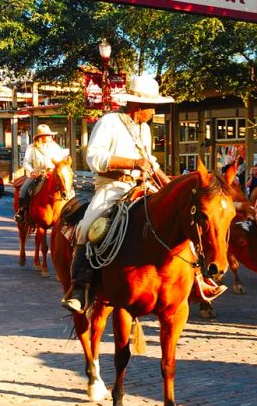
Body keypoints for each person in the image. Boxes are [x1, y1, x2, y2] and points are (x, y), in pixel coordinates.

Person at [60, 75, 174, 314]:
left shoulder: (144, 129)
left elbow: (149, 161)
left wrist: (166, 181)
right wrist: (132, 163)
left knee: (173, 215)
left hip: (142, 186)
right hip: (112, 187)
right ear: (138, 106)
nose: (154, 111)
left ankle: (195, 277)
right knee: (87, 227)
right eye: (152, 106)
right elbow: (95, 157)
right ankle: (81, 287)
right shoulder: (109, 122)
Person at [14, 124, 69, 223]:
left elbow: (60, 162)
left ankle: (66, 210)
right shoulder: (32, 147)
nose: (49, 137)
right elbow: (26, 162)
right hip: (36, 174)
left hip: (52, 173)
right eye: (46, 135)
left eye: (49, 135)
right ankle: (21, 211)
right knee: (23, 189)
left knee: (65, 187)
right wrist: (32, 172)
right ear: (40, 137)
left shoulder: (55, 147)